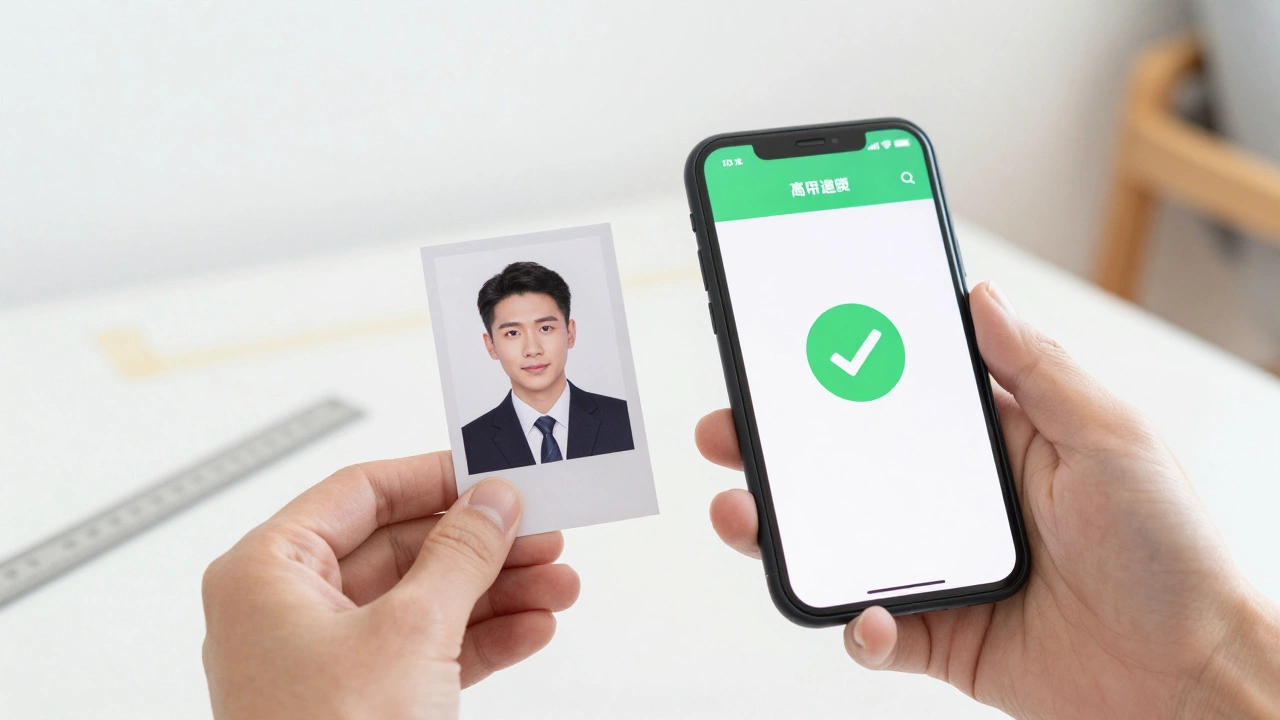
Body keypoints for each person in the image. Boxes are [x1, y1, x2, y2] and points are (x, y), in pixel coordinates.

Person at [201, 282, 1280, 719]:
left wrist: (1200, 667)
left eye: (545, 327)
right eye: (508, 334)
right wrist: (1199, 668)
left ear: (574, 335)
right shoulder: (490, 452)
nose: (529, 348)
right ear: (485, 346)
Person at [460, 261, 634, 474]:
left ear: (570, 333)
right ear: (491, 345)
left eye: (545, 328)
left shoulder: (626, 420)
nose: (532, 349)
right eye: (513, 333)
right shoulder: (468, 446)